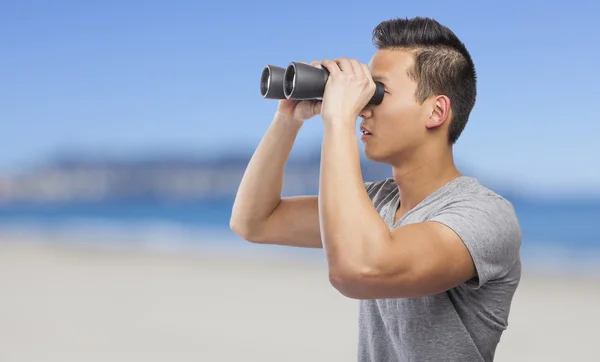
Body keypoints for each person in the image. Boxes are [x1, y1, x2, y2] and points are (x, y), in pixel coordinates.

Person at [230, 16, 522, 362]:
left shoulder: (484, 216)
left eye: (377, 92)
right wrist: (287, 119)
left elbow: (358, 270)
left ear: (436, 111)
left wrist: (337, 120)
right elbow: (255, 221)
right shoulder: (375, 204)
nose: (362, 109)